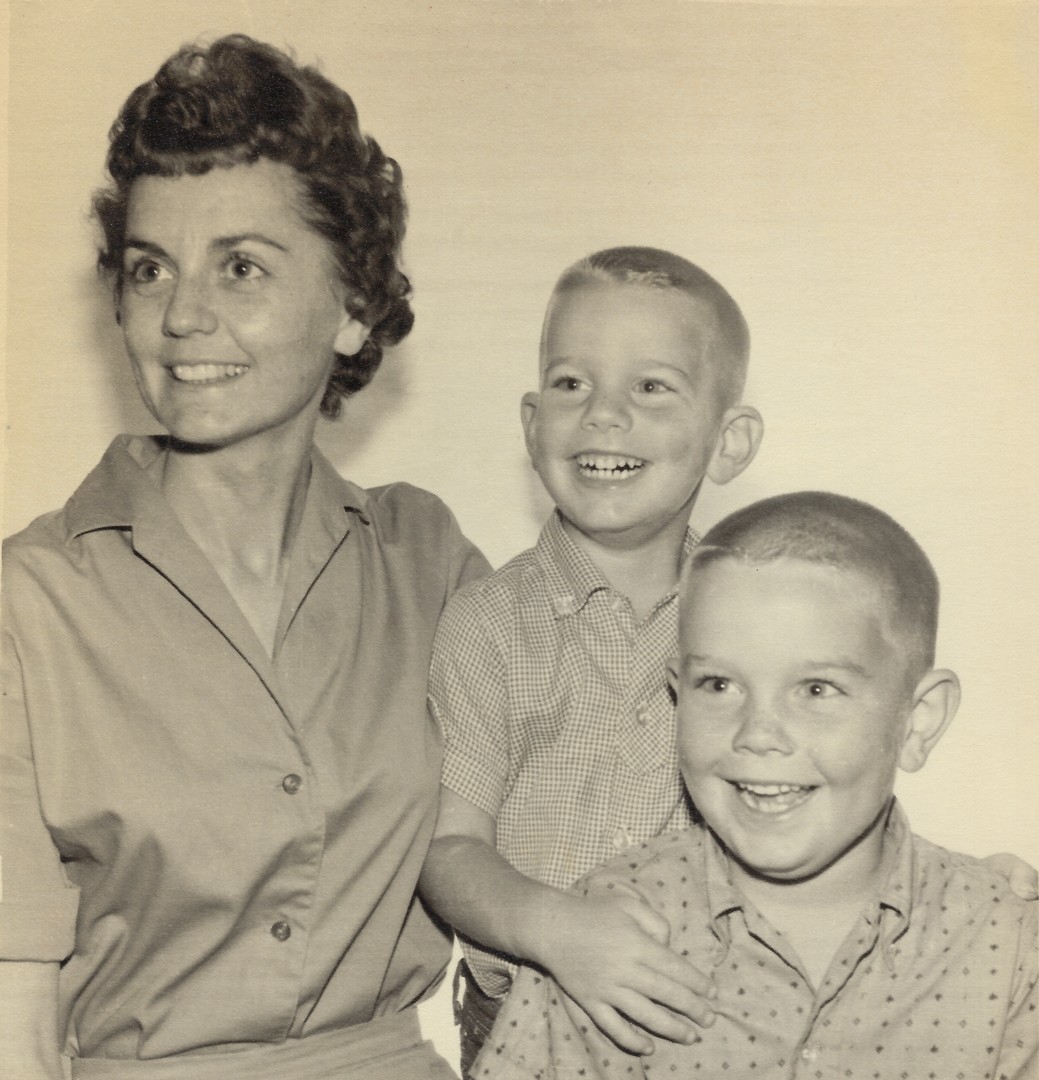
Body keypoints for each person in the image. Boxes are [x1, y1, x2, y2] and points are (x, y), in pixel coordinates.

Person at [0, 35, 489, 1080]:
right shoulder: (27, 605)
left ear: (353, 308)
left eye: (241, 268)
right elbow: (14, 1030)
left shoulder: (429, 563)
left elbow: (585, 806)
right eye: (150, 269)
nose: (182, 315)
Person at [473, 491, 1038, 1079]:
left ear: (918, 721)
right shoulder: (599, 931)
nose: (758, 735)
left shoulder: (1005, 941)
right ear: (677, 696)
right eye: (719, 685)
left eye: (816, 690)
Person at [419, 247, 766, 1076]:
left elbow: (812, 809)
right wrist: (557, 930)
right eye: (572, 383)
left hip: (720, 1027)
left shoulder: (756, 625)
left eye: (651, 387)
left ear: (728, 442)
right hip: (523, 1028)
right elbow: (447, 849)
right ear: (531, 422)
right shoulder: (486, 624)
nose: (603, 415)